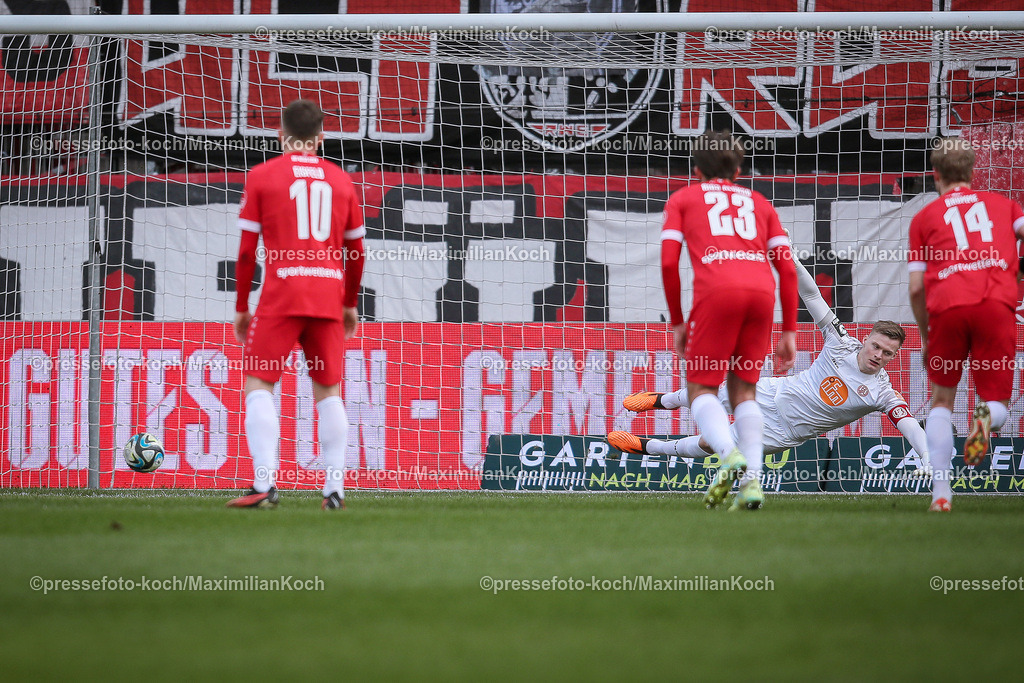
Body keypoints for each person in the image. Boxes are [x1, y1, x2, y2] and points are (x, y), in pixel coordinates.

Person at [609, 259, 930, 484]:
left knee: (710, 444)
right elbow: (812, 295)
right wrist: (790, 257)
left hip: (781, 431)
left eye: (887, 353)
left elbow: (909, 425)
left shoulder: (883, 393)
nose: (878, 355)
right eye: (876, 346)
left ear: (893, 357)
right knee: (709, 394)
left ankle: (647, 447)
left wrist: (926, 458)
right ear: (867, 339)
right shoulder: (841, 342)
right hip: (774, 392)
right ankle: (661, 400)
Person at [612, 130, 798, 511]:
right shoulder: (760, 203)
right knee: (744, 393)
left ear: (696, 170)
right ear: (739, 169)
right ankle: (752, 483)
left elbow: (668, 263)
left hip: (717, 293)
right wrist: (790, 330)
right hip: (761, 295)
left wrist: (678, 322)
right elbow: (788, 269)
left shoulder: (683, 198)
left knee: (701, 390)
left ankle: (729, 455)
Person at [226, 99, 366, 510]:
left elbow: (246, 253)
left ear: (280, 134)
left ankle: (264, 484)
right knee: (329, 391)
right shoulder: (341, 181)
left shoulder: (262, 176)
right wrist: (349, 302)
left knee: (259, 384)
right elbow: (357, 251)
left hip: (282, 295)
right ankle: (334, 490)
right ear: (321, 137)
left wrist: (241, 305)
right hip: (327, 297)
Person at [908, 137, 1024, 512]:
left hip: (947, 307)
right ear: (973, 171)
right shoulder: (1004, 205)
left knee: (941, 401)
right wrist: (1016, 271)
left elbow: (915, 288)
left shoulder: (924, 218)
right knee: (997, 402)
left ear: (935, 174)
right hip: (995, 304)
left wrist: (926, 336)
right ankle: (986, 417)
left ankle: (941, 495)